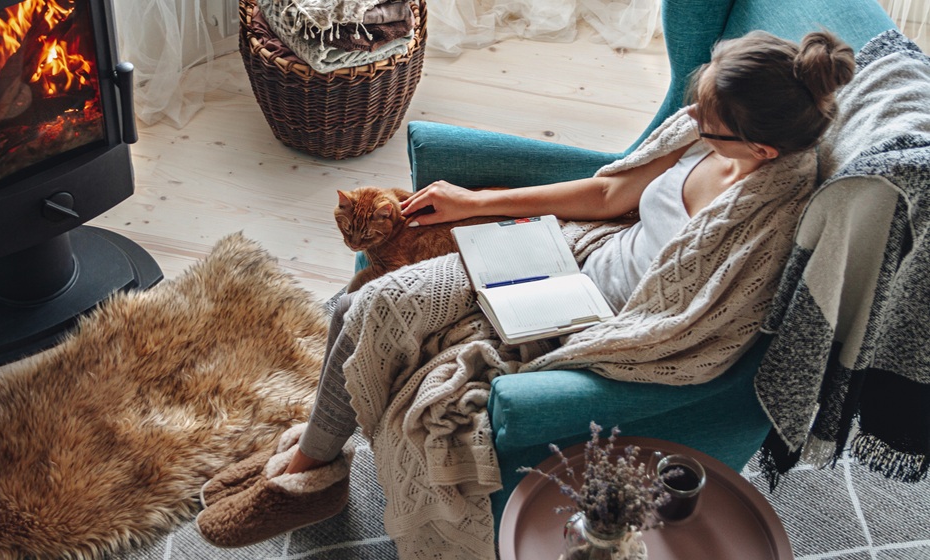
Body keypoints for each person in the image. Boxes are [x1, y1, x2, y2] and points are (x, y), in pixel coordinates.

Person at [195, 29, 855, 558]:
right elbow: (606, 193)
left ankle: (306, 468)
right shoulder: (708, 129)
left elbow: (699, 330)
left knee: (376, 314)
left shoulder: (766, 219)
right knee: (358, 302)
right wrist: (475, 203)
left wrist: (586, 331)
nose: (692, 120)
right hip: (560, 254)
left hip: (583, 315)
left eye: (708, 121)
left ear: (761, 150)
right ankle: (318, 464)